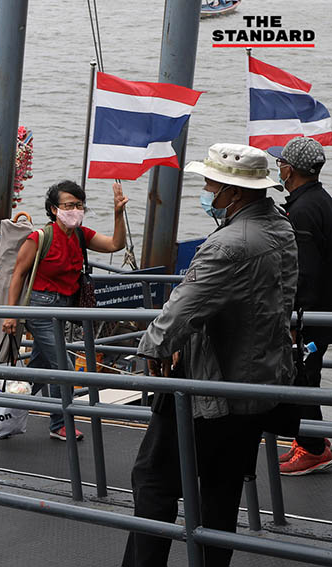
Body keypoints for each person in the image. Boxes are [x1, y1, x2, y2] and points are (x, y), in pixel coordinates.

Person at [121, 143, 297, 567]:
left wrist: (152, 349)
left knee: (153, 480)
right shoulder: (282, 229)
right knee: (221, 492)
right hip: (256, 388)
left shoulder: (227, 244)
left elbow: (180, 312)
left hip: (209, 390)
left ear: (233, 192)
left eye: (210, 185)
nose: (206, 191)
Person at [1, 179, 127, 441]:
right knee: (64, 368)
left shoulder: (81, 235)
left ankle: (4, 407)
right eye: (69, 205)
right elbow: (18, 274)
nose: (75, 210)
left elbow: (115, 245)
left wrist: (118, 213)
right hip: (40, 309)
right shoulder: (40, 238)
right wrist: (11, 314)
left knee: (40, 368)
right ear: (54, 209)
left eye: (79, 205)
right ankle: (59, 424)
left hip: (65, 309)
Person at [269, 136, 332, 475]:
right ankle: (309, 439)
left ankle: (313, 448)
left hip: (309, 313)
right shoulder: (320, 200)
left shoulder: (303, 210)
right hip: (320, 310)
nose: (278, 167)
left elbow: (304, 271)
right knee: (305, 375)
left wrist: (295, 319)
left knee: (302, 377)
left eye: (280, 163)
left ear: (290, 170)